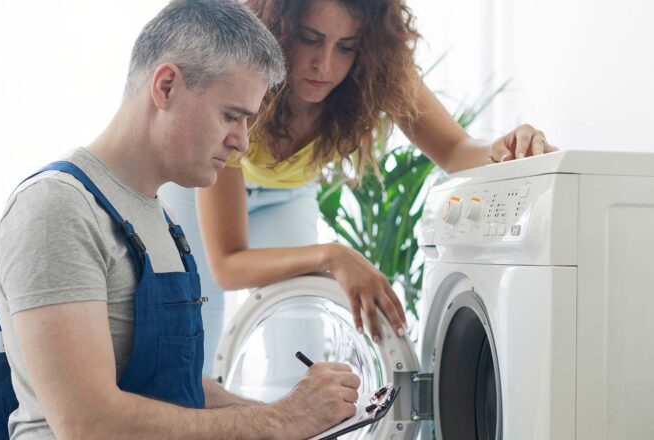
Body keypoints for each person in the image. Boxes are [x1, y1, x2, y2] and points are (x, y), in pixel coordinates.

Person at [0, 1, 361, 439]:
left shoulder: (162, 220)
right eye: (231, 116)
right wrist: (280, 421)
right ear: (166, 86)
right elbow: (87, 423)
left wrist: (299, 414)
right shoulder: (57, 208)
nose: (242, 143)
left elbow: (173, 386)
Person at [159, 0, 558, 375]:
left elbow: (454, 149)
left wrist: (504, 148)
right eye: (310, 39)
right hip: (197, 179)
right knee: (194, 328)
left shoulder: (379, 74)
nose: (324, 65)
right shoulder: (241, 68)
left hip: (287, 194)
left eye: (346, 47)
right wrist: (334, 256)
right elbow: (228, 263)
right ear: (279, 30)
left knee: (301, 346)